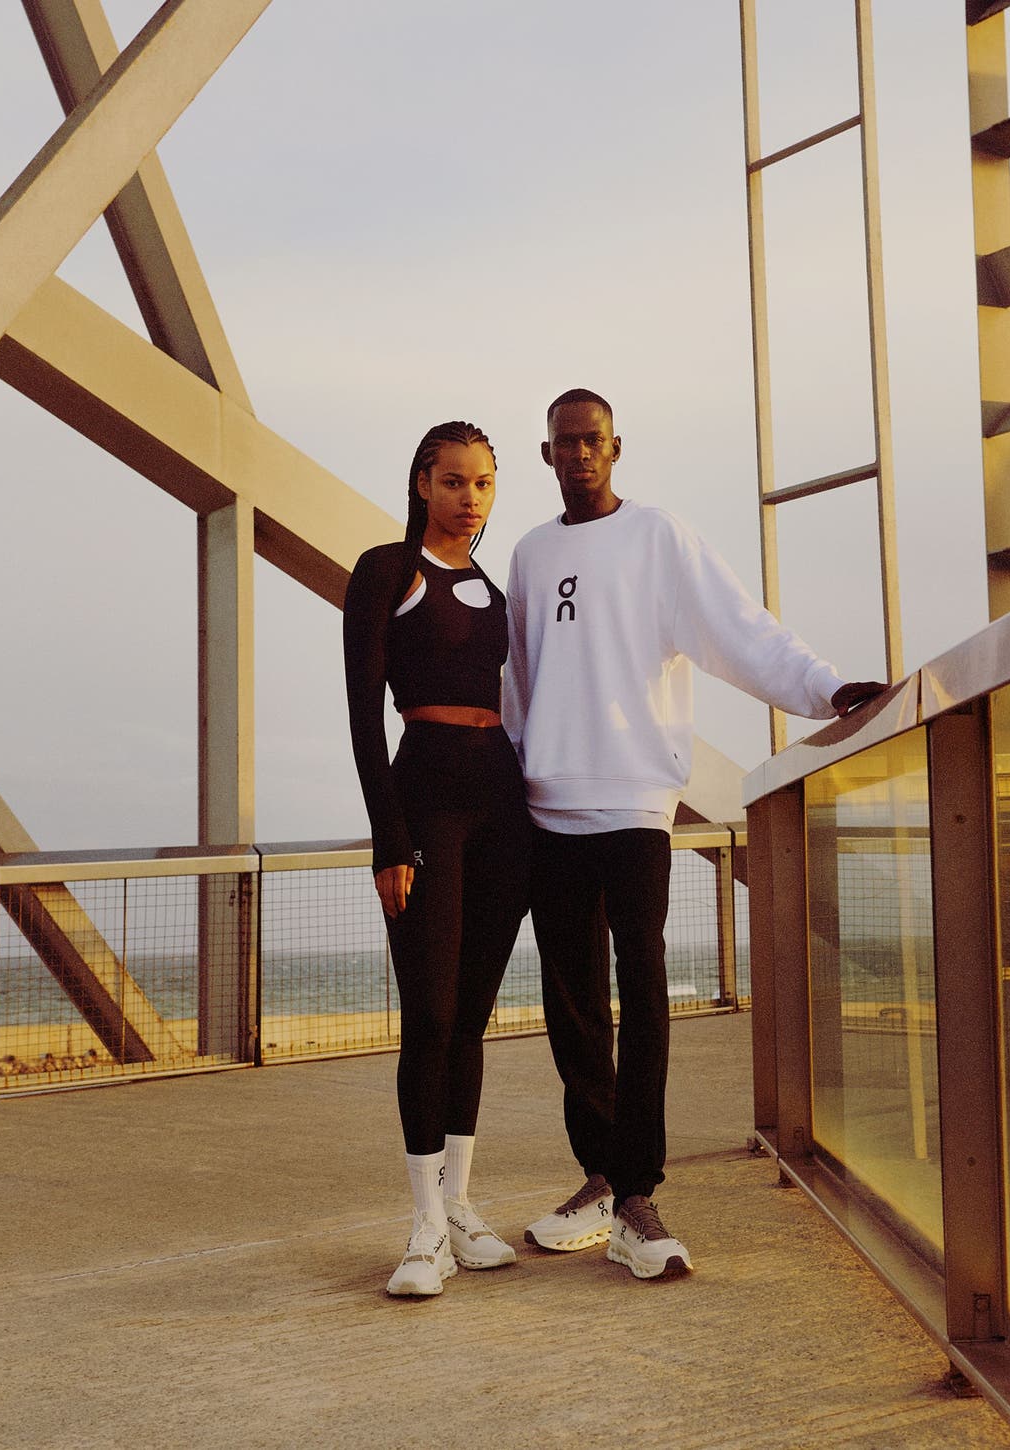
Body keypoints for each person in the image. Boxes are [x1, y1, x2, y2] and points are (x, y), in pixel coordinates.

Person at [502, 388, 884, 1281]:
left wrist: (825, 690)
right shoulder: (528, 552)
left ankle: (638, 1193)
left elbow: (737, 631)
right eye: (565, 443)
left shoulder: (657, 537)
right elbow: (516, 681)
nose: (580, 454)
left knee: (641, 995)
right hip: (546, 810)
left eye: (593, 440)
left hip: (635, 804)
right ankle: (598, 1179)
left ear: (616, 446)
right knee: (573, 1011)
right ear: (547, 453)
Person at [343, 420, 530, 1298]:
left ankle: (460, 1206)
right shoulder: (388, 571)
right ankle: (420, 1227)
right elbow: (362, 715)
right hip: (427, 807)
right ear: (423, 483)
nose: (470, 497)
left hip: (505, 809)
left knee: (470, 1019)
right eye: (454, 481)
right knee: (429, 1010)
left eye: (484, 483)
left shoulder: (496, 592)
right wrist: (390, 837)